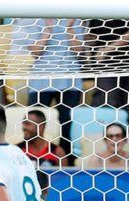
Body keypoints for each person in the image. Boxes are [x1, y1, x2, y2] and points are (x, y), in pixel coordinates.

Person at [11, 19, 85, 158]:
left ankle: (65, 160)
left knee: (67, 124)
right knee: (34, 121)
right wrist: (48, 30)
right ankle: (31, 157)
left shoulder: (74, 18)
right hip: (42, 79)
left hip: (69, 78)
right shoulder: (35, 19)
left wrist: (69, 28)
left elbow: (78, 50)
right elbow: (35, 52)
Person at [87, 20, 129, 116]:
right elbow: (92, 37)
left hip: (128, 66)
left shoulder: (128, 6)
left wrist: (106, 50)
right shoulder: (95, 9)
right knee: (106, 105)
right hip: (104, 67)